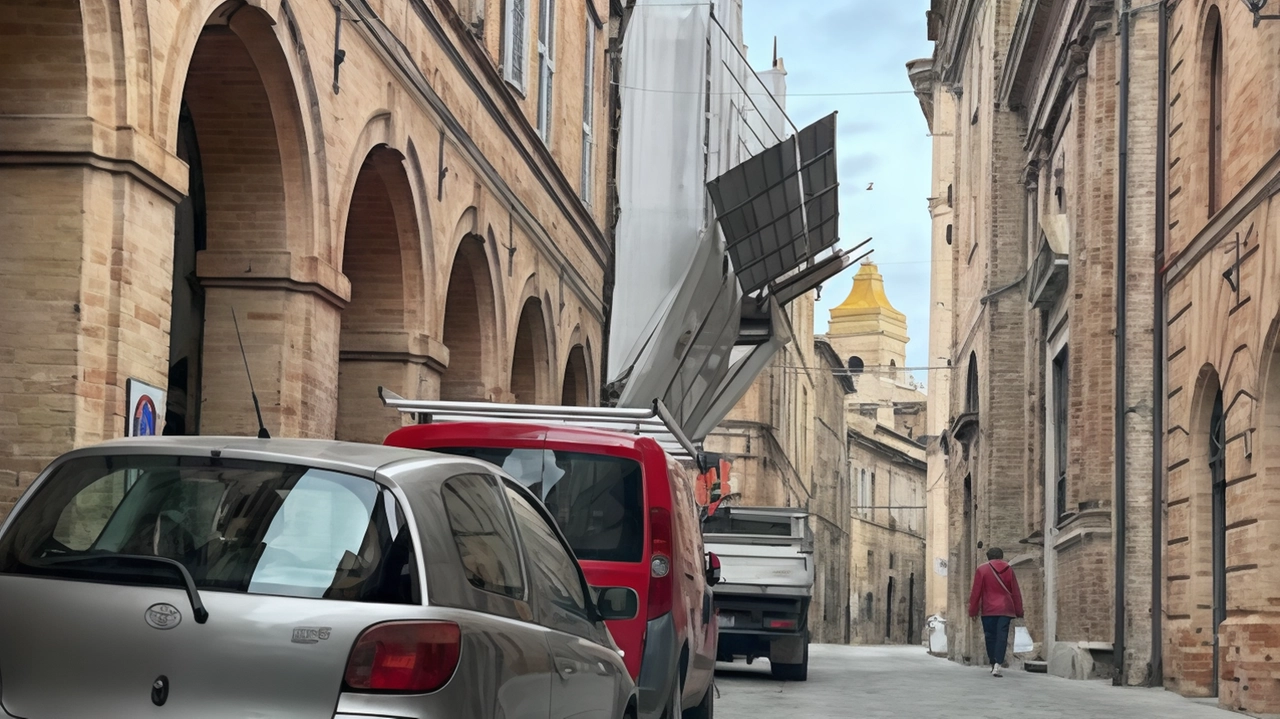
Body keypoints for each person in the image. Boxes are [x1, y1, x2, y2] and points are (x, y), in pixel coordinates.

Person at [968, 547, 1024, 677]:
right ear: (1001, 556)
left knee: (990, 636)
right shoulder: (1009, 569)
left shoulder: (982, 570)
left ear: (988, 557)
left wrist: (973, 611)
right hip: (1006, 609)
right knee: (1002, 637)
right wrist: (1019, 610)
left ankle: (993, 662)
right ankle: (998, 663)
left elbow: (976, 592)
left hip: (988, 609)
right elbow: (1015, 592)